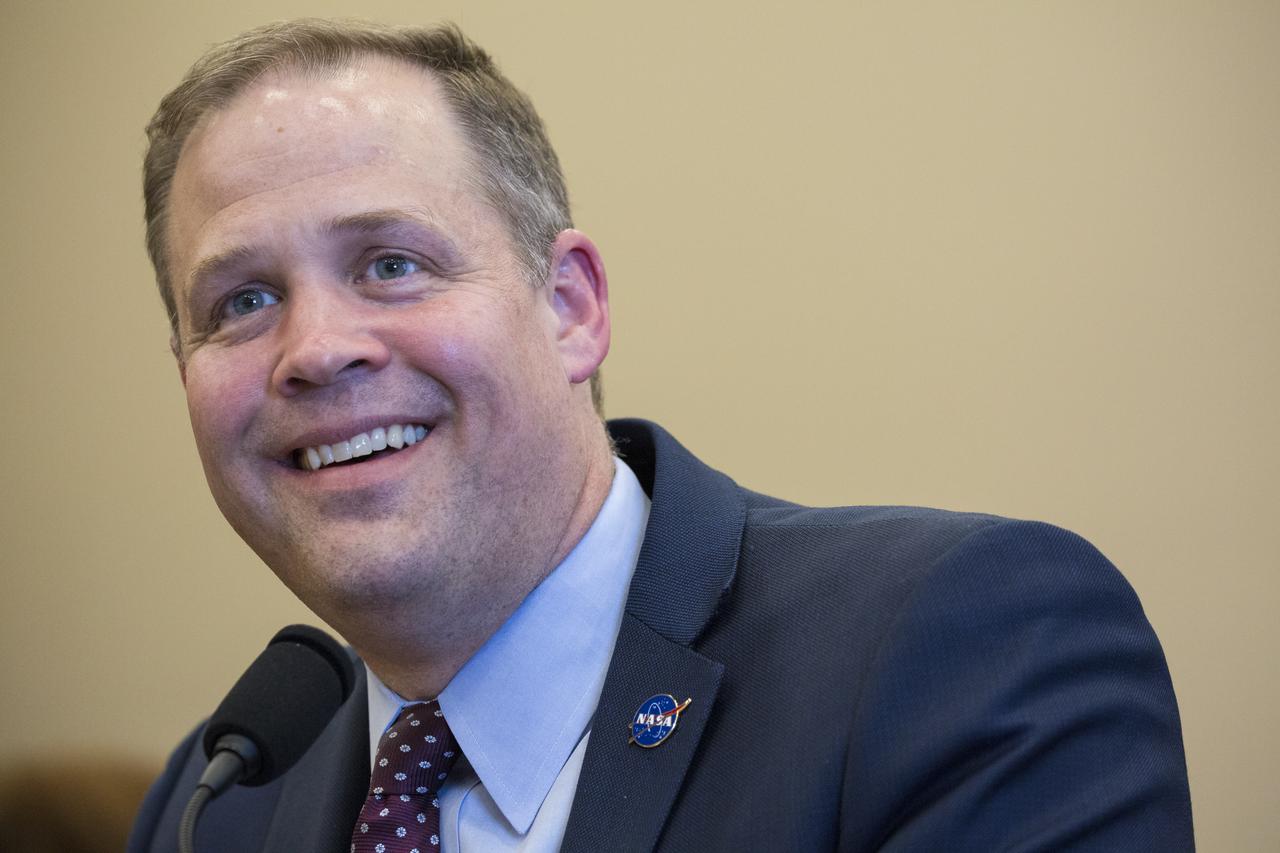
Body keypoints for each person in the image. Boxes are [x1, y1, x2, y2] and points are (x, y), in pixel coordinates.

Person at [128, 19, 1194, 853]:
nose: (313, 349)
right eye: (240, 301)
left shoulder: (963, 648)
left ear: (570, 308)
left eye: (391, 263)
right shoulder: (218, 801)